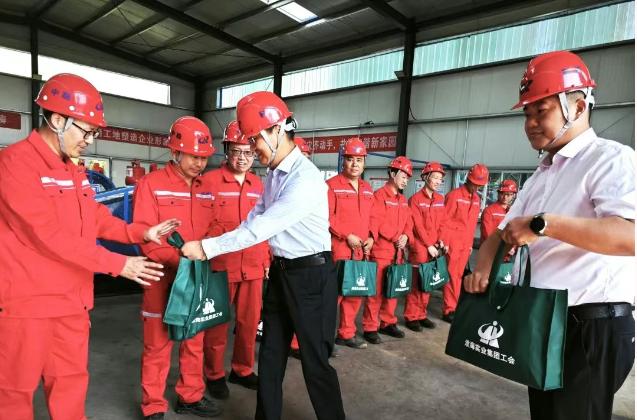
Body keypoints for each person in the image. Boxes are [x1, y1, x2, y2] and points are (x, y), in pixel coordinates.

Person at [464, 50, 635, 420]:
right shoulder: (543, 175)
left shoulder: (610, 160)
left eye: (540, 111)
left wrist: (544, 225)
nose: (530, 123)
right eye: (526, 114)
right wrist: (483, 266)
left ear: (578, 107)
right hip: (546, 321)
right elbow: (502, 231)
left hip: (590, 327)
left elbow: (629, 236)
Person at [0, 73, 178, 420]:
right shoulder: (16, 164)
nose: (89, 141)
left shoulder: (72, 169)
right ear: (57, 120)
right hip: (29, 304)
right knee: (14, 392)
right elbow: (46, 234)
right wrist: (118, 264)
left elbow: (94, 217)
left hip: (72, 301)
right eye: (86, 131)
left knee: (70, 384)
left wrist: (140, 233)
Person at [180, 91, 345, 420]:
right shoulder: (275, 175)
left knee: (314, 361)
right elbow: (254, 218)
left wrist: (206, 248)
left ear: (277, 131)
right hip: (282, 273)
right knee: (270, 354)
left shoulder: (305, 179)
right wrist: (211, 243)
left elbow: (262, 228)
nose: (252, 148)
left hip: (310, 277)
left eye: (255, 139)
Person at [132, 116, 222, 419]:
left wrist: (206, 249)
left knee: (194, 337)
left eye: (204, 157)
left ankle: (190, 396)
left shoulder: (206, 188)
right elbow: (144, 234)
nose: (199, 163)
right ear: (175, 152)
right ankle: (153, 404)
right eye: (193, 156)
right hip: (161, 276)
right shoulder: (151, 185)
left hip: (196, 274)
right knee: (157, 342)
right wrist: (181, 259)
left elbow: (215, 225)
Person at [203, 120, 270, 400]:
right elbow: (201, 223)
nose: (242, 158)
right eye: (236, 151)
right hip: (221, 266)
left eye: (248, 152)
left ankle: (242, 369)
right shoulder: (209, 182)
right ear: (226, 150)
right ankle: (213, 373)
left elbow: (266, 225)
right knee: (217, 323)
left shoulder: (260, 185)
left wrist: (266, 259)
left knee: (249, 322)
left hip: (253, 265)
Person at [362, 156, 413, 344]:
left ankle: (387, 322)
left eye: (408, 178)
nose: (405, 181)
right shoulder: (379, 196)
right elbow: (377, 223)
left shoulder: (403, 200)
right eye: (403, 176)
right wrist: (396, 237)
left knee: (393, 289)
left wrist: (406, 236)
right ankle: (370, 327)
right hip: (381, 252)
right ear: (392, 174)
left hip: (398, 253)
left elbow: (409, 223)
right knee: (376, 292)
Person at [329, 138, 374, 349]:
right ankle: (324, 338)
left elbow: (372, 217)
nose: (355, 164)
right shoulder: (332, 186)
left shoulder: (367, 188)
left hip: (361, 250)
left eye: (359, 160)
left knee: (355, 292)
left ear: (364, 162)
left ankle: (346, 334)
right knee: (334, 295)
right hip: (339, 248)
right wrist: (346, 235)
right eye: (350, 159)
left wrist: (372, 236)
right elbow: (326, 217)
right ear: (343, 161)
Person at [439, 162, 488, 323]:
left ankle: (455, 305)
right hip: (453, 242)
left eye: (480, 185)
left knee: (460, 276)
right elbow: (444, 220)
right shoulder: (454, 196)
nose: (477, 187)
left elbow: (472, 225)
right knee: (452, 276)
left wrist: (469, 245)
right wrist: (445, 242)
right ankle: (449, 309)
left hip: (465, 244)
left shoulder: (477, 199)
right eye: (475, 184)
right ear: (468, 179)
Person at [403, 161, 447, 331]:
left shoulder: (440, 199)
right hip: (420, 247)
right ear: (426, 177)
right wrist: (428, 245)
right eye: (434, 177)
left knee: (429, 282)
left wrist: (441, 240)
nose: (437, 181)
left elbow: (442, 222)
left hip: (434, 247)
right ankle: (411, 316)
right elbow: (417, 226)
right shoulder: (415, 200)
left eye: (440, 179)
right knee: (417, 283)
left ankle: (421, 314)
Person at [479, 179, 517, 246]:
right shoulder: (489, 211)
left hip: (506, 250)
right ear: (498, 193)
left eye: (508, 195)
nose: (505, 197)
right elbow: (487, 234)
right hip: (490, 248)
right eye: (502, 193)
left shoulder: (512, 212)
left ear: (513, 195)